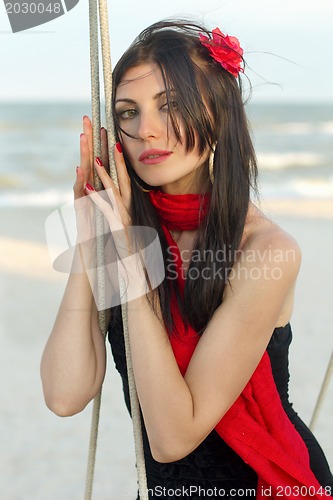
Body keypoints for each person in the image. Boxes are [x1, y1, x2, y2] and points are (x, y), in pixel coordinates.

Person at [41, 20, 333, 499]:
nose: (146, 130)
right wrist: (91, 237)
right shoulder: (124, 227)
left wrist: (133, 264)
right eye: (128, 112)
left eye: (171, 105)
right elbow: (64, 395)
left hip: (263, 486)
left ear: (217, 113)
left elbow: (175, 437)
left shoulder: (266, 250)